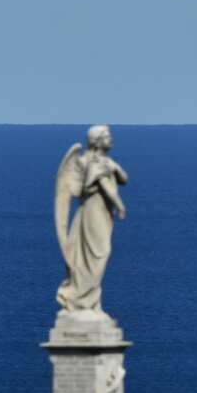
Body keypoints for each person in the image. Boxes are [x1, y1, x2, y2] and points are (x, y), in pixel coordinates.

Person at [55, 125, 128, 312]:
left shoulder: (106, 161)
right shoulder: (85, 161)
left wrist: (114, 167)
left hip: (104, 215)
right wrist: (119, 204)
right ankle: (82, 301)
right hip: (91, 213)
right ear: (97, 141)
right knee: (97, 253)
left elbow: (124, 179)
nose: (111, 139)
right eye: (107, 136)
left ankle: (90, 301)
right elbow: (83, 189)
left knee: (100, 255)